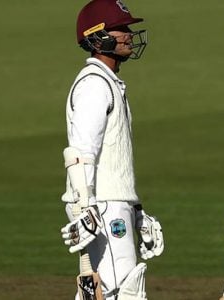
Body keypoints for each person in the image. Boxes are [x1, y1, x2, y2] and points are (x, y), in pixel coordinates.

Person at [59, 0, 163, 299]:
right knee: (122, 290)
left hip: (110, 203)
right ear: (97, 37)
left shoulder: (109, 82)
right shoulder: (94, 85)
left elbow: (114, 160)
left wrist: (136, 211)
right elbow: (80, 152)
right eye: (120, 29)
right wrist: (84, 208)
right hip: (99, 205)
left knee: (103, 291)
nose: (129, 34)